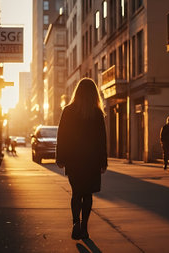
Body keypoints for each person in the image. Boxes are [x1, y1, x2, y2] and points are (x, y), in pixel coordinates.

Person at [56, 78, 108, 240]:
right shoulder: (97, 113)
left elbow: (62, 136)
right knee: (88, 195)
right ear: (94, 93)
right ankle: (84, 228)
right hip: (91, 162)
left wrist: (60, 157)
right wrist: (103, 162)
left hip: (74, 160)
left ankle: (75, 223)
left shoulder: (68, 110)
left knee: (76, 193)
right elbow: (102, 140)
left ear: (77, 92)